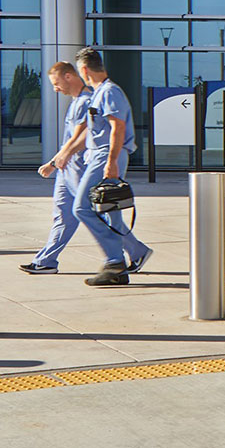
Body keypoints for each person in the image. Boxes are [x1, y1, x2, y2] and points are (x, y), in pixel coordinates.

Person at [74, 47, 151, 286]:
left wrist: (111, 162)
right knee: (109, 209)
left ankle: (114, 260)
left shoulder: (109, 92)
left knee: (82, 207)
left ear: (84, 69)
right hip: (102, 155)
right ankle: (134, 253)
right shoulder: (99, 92)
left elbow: (117, 128)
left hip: (106, 155)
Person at [19, 61, 92, 275]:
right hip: (65, 168)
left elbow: (82, 138)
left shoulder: (87, 101)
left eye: (56, 83)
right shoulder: (76, 102)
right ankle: (46, 261)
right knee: (62, 215)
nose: (55, 88)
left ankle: (134, 251)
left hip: (79, 169)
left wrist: (61, 158)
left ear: (69, 76)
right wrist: (54, 163)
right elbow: (68, 140)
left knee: (94, 214)